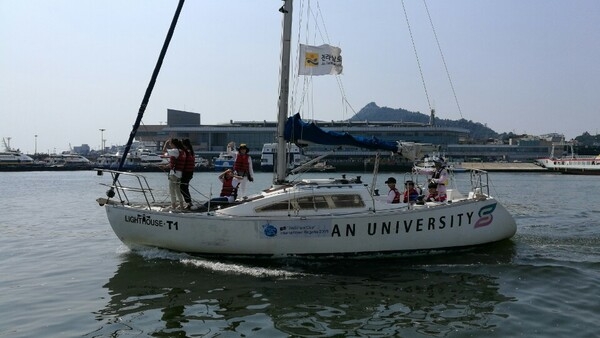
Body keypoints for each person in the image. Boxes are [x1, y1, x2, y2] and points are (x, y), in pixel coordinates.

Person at [163, 138, 186, 209]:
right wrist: (166, 166)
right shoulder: (182, 151)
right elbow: (175, 162)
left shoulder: (175, 151)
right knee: (178, 190)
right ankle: (181, 205)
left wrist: (166, 143)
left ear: (173, 144)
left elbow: (164, 151)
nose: (170, 145)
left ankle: (173, 206)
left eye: (170, 143)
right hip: (180, 174)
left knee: (172, 190)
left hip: (174, 174)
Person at [180, 139, 195, 210]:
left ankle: (189, 203)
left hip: (186, 173)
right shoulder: (191, 152)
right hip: (190, 172)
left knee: (183, 188)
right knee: (184, 188)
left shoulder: (186, 152)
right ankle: (189, 202)